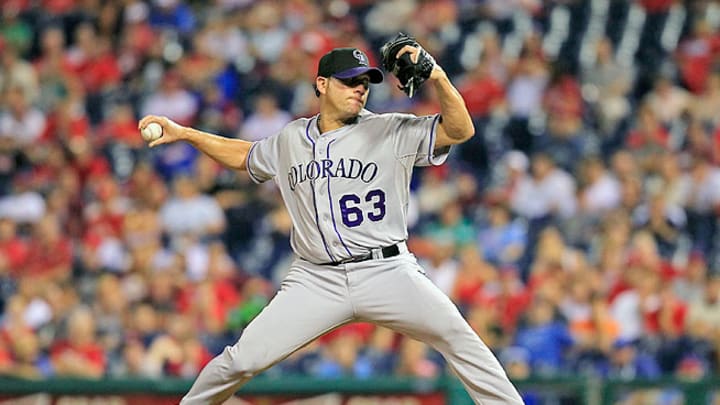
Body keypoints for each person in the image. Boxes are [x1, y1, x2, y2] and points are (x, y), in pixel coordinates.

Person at [139, 42, 523, 404]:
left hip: (387, 269)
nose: (360, 89)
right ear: (322, 84)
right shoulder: (291, 138)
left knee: (459, 337)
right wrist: (187, 134)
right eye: (349, 81)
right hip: (315, 279)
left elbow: (460, 130)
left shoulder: (389, 129)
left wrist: (436, 75)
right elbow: (246, 156)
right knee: (240, 361)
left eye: (365, 82)